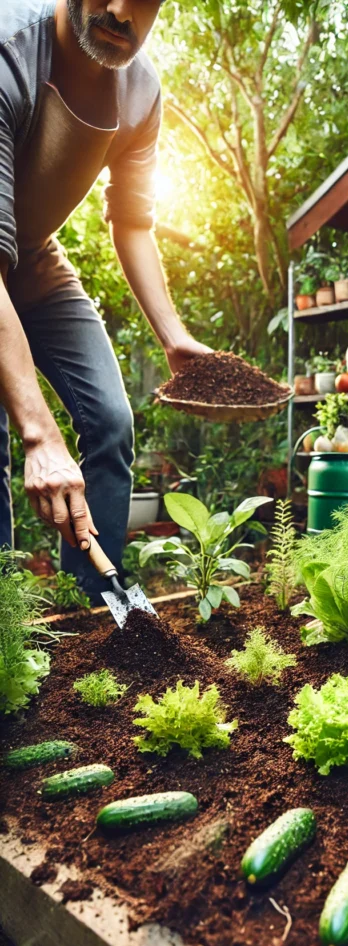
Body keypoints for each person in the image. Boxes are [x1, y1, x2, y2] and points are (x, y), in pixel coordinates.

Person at [0, 0, 210, 600]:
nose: (121, 10)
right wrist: (40, 435)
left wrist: (172, 336)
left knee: (112, 423)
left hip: (33, 259)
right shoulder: (10, 50)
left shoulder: (141, 94)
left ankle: (98, 615)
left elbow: (133, 222)